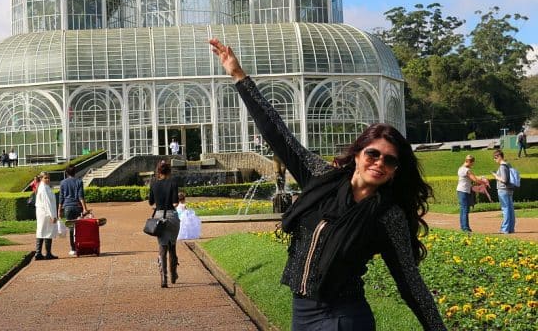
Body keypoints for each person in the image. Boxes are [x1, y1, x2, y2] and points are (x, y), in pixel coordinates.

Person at [209, 38, 445, 330]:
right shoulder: (322, 178)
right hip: (302, 313)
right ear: (358, 154)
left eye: (390, 161)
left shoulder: (388, 215)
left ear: (396, 170)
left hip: (344, 317)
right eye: (373, 154)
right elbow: (278, 134)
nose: (379, 163)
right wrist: (239, 76)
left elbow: (410, 283)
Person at [148, 160, 180, 288]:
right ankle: (173, 274)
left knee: (162, 248)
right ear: (169, 171)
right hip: (172, 216)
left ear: (158, 171)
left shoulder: (154, 184)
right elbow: (175, 203)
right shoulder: (173, 183)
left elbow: (151, 202)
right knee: (172, 247)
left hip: (159, 217)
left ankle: (163, 279)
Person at [58, 164, 89, 256]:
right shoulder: (79, 181)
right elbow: (81, 196)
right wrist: (85, 208)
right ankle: (80, 246)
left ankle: (73, 248)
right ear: (75, 172)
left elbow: (61, 197)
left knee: (71, 228)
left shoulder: (63, 183)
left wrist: (59, 210)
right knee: (79, 227)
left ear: (66, 173)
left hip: (67, 207)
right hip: (77, 206)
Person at [457, 155, 487, 232]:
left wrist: (480, 178)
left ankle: (463, 226)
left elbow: (473, 177)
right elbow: (475, 179)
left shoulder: (461, 168)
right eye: (472, 163)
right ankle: (466, 228)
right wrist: (484, 182)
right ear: (470, 162)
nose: (472, 165)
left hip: (461, 190)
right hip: (464, 191)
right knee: (465, 209)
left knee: (463, 209)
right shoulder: (467, 170)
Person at [34, 173, 58, 260]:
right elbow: (47, 203)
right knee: (47, 231)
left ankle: (38, 253)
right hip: (45, 213)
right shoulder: (44, 188)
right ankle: (47, 253)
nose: (47, 179)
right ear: (41, 178)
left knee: (41, 231)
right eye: (45, 178)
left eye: (48, 178)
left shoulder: (44, 187)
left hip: (43, 213)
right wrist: (52, 215)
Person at [492, 150, 515, 234]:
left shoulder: (502, 166)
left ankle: (505, 229)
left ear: (499, 156)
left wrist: (496, 176)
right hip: (509, 189)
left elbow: (504, 180)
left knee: (505, 209)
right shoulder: (508, 164)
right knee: (510, 209)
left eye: (495, 158)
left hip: (503, 189)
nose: (495, 160)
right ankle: (511, 228)